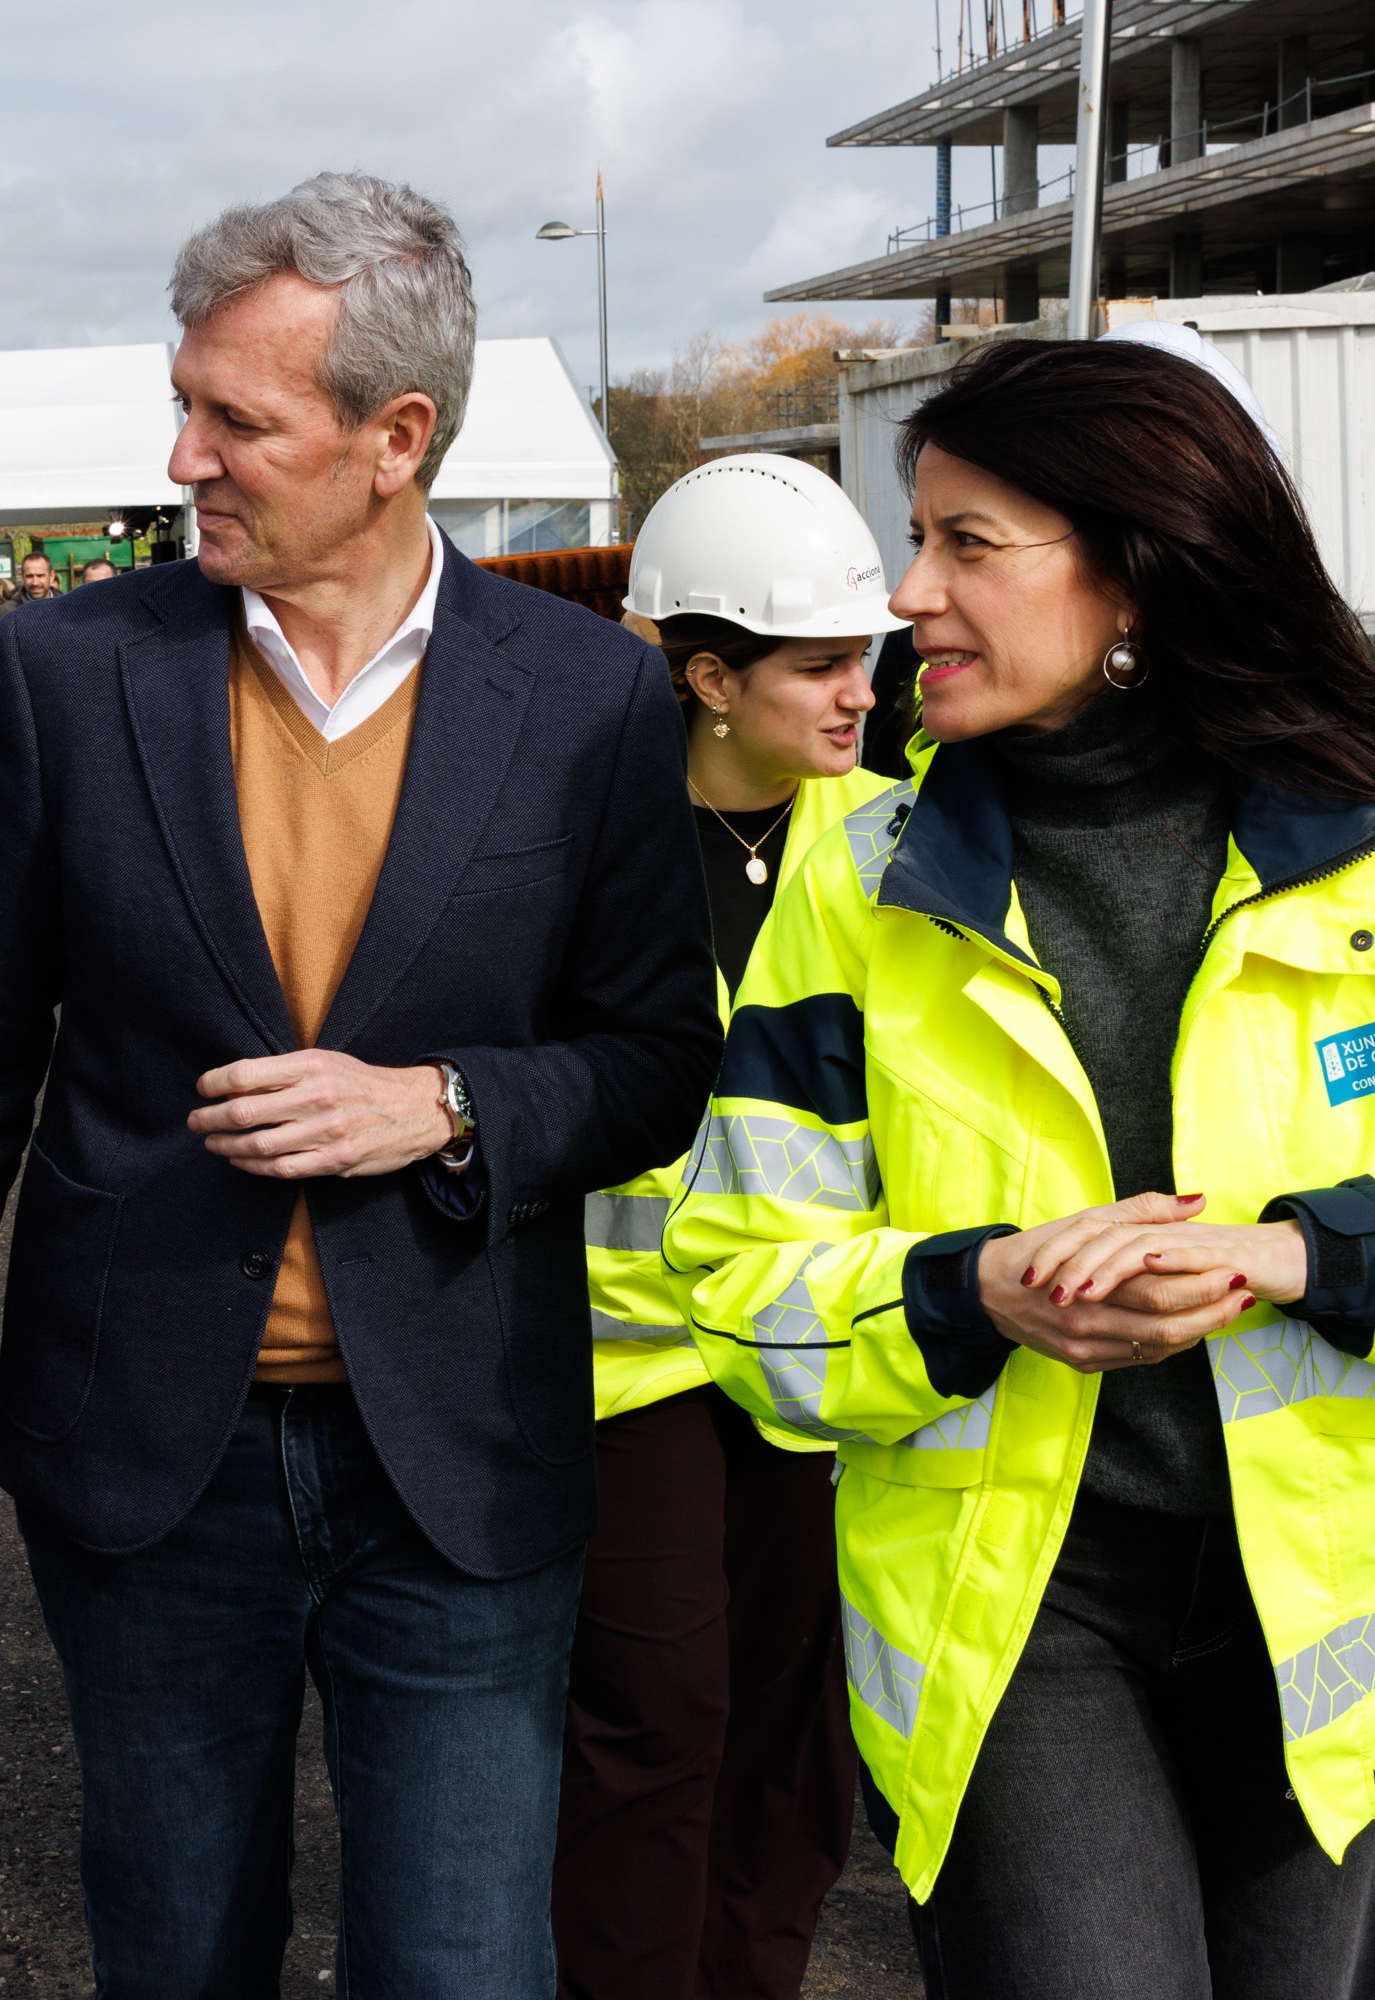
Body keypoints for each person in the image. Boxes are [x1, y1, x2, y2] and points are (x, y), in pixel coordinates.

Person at [666, 335, 1375, 1999]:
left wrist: (1312, 1255)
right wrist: (972, 1292)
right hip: (1016, 1619)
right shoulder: (860, 884)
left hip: (1337, 1625)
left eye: (966, 544)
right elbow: (734, 1274)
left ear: (1138, 569)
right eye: (917, 541)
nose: (907, 598)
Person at [0, 172, 719, 1998]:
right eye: (184, 404)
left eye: (234, 421)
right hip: (151, 1463)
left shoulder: (587, 699)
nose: (184, 458)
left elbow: (657, 1065)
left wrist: (449, 1104)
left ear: (395, 439)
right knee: (178, 1956)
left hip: (459, 1469)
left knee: (463, 1968)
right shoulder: (74, 670)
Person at [552, 456, 903, 1999]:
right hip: (631, 1365)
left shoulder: (906, 841)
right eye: (820, 663)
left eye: (864, 656)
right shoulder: (571, 841)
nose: (862, 692)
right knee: (657, 1716)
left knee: (798, 1727)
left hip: (834, 1349)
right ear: (707, 677)